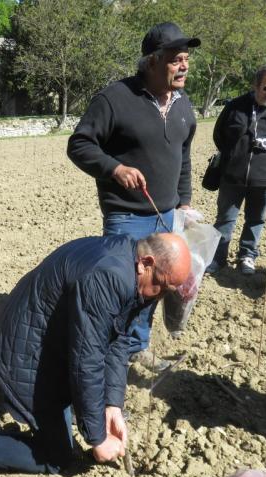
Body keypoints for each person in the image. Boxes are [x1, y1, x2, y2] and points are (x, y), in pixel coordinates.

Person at [0, 233, 191, 477]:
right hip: (26, 351)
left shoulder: (133, 269)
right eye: (163, 287)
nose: (161, 297)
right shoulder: (109, 277)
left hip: (49, 339)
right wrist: (97, 438)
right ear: (147, 263)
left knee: (86, 404)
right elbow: (88, 360)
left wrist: (113, 405)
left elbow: (118, 341)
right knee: (57, 456)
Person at [67, 22, 200, 372]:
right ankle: (107, 355)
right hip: (125, 215)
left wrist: (183, 202)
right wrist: (115, 169)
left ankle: (136, 347)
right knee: (121, 289)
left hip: (167, 215)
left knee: (153, 289)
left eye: (186, 59)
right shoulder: (115, 99)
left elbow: (183, 157)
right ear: (153, 62)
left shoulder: (184, 105)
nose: (184, 66)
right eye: (175, 60)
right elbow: (79, 144)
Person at [205, 65, 266, 275]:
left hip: (264, 179)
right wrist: (235, 156)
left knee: (256, 219)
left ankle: (247, 255)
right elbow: (219, 137)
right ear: (255, 86)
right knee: (225, 220)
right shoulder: (235, 107)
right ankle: (218, 259)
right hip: (232, 177)